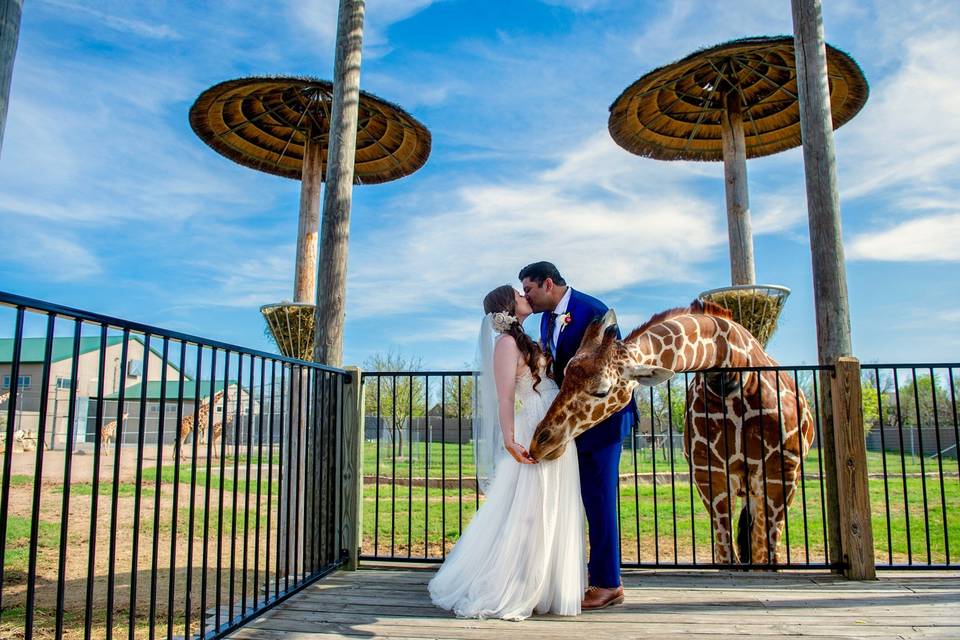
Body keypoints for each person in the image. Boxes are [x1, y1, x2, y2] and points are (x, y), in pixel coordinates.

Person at [428, 285, 586, 620]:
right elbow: (503, 398)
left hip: (555, 423)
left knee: (556, 504)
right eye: (518, 294)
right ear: (507, 306)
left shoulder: (527, 339)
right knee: (533, 507)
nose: (525, 296)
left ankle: (547, 585)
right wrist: (510, 440)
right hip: (533, 427)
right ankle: (516, 584)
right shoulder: (506, 344)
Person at [520, 261, 633, 610]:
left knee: (599, 498)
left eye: (530, 290)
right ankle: (587, 574)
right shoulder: (544, 320)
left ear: (548, 283)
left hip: (602, 419)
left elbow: (612, 366)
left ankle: (607, 583)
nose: (528, 297)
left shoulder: (594, 311)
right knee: (580, 497)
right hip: (573, 421)